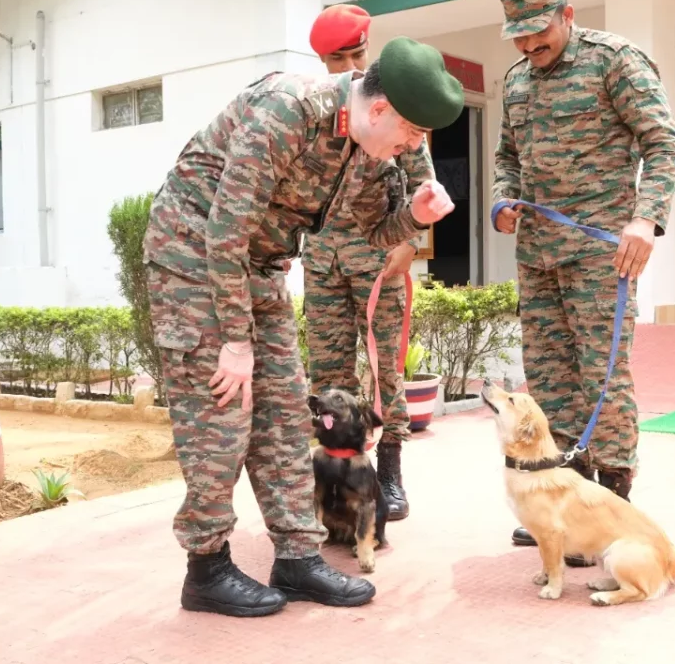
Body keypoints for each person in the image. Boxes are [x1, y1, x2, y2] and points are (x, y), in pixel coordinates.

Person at [143, 36, 465, 618]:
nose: (415, 149)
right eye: (412, 134)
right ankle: (207, 569)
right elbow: (225, 229)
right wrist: (236, 342)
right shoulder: (288, 110)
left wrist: (414, 217)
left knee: (286, 410)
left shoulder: (367, 146)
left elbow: (372, 231)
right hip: (193, 254)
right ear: (379, 109)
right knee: (222, 414)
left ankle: (296, 558)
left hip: (259, 265)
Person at [491, 0, 675, 565]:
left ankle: (613, 504)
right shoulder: (516, 80)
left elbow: (663, 144)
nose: (529, 45)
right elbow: (505, 156)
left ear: (567, 15)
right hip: (538, 252)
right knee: (548, 380)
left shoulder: (615, 61)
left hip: (604, 253)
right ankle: (567, 507)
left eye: (537, 32)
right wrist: (503, 199)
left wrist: (646, 219)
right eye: (518, 36)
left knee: (603, 376)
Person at [301, 4, 435, 522]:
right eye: (340, 57)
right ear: (323, 59)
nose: (350, 65)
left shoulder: (390, 102)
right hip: (323, 260)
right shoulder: (318, 109)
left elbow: (426, 186)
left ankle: (390, 474)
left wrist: (412, 243)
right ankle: (336, 479)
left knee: (383, 374)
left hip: (380, 257)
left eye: (358, 54)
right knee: (329, 375)